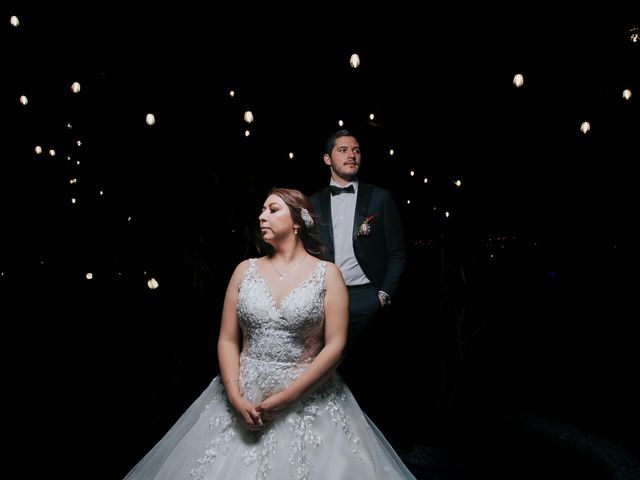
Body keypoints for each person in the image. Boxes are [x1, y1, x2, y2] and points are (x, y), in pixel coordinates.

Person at [122, 187, 416, 480]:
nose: (262, 216)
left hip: (308, 394)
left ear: (298, 221)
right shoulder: (244, 271)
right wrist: (235, 397)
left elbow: (336, 345)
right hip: (244, 392)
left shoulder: (327, 274)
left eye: (273, 209)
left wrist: (290, 397)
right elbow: (227, 339)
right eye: (262, 210)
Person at [309, 129, 406, 357]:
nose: (351, 155)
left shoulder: (381, 198)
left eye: (356, 150)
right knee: (327, 365)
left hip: (367, 297)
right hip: (325, 298)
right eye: (342, 150)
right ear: (327, 159)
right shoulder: (312, 203)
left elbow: (397, 253)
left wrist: (382, 296)